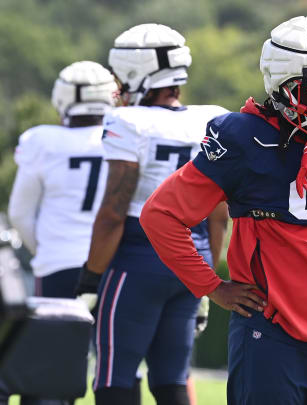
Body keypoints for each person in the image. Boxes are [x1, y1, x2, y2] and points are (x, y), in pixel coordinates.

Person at [139, 16, 307, 405]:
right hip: (271, 335)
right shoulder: (243, 139)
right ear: (282, 86)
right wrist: (211, 286)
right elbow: (161, 215)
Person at [72, 23, 229, 405]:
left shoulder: (129, 122)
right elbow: (221, 213)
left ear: (134, 71)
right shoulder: (215, 119)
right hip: (194, 257)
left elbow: (113, 211)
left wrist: (90, 279)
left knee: (114, 377)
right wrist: (206, 275)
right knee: (172, 379)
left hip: (138, 260)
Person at [3, 61, 117, 405]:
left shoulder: (42, 140)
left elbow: (20, 213)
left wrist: (45, 250)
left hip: (58, 267)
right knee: (117, 368)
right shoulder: (128, 133)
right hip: (114, 263)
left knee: (48, 372)